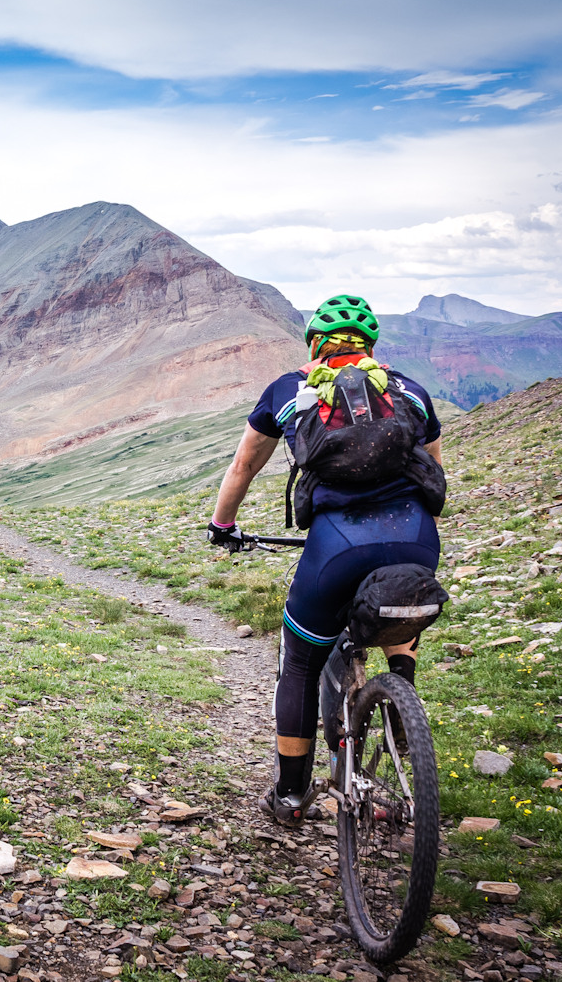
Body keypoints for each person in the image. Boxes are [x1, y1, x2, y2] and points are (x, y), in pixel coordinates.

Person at [206, 294, 445, 828]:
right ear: (371, 346)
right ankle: (400, 690)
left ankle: (291, 795)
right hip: (414, 537)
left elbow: (244, 465)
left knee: (301, 660)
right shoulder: (409, 391)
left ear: (314, 342)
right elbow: (433, 472)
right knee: (399, 599)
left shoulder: (288, 390)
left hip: (336, 544)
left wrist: (223, 526)